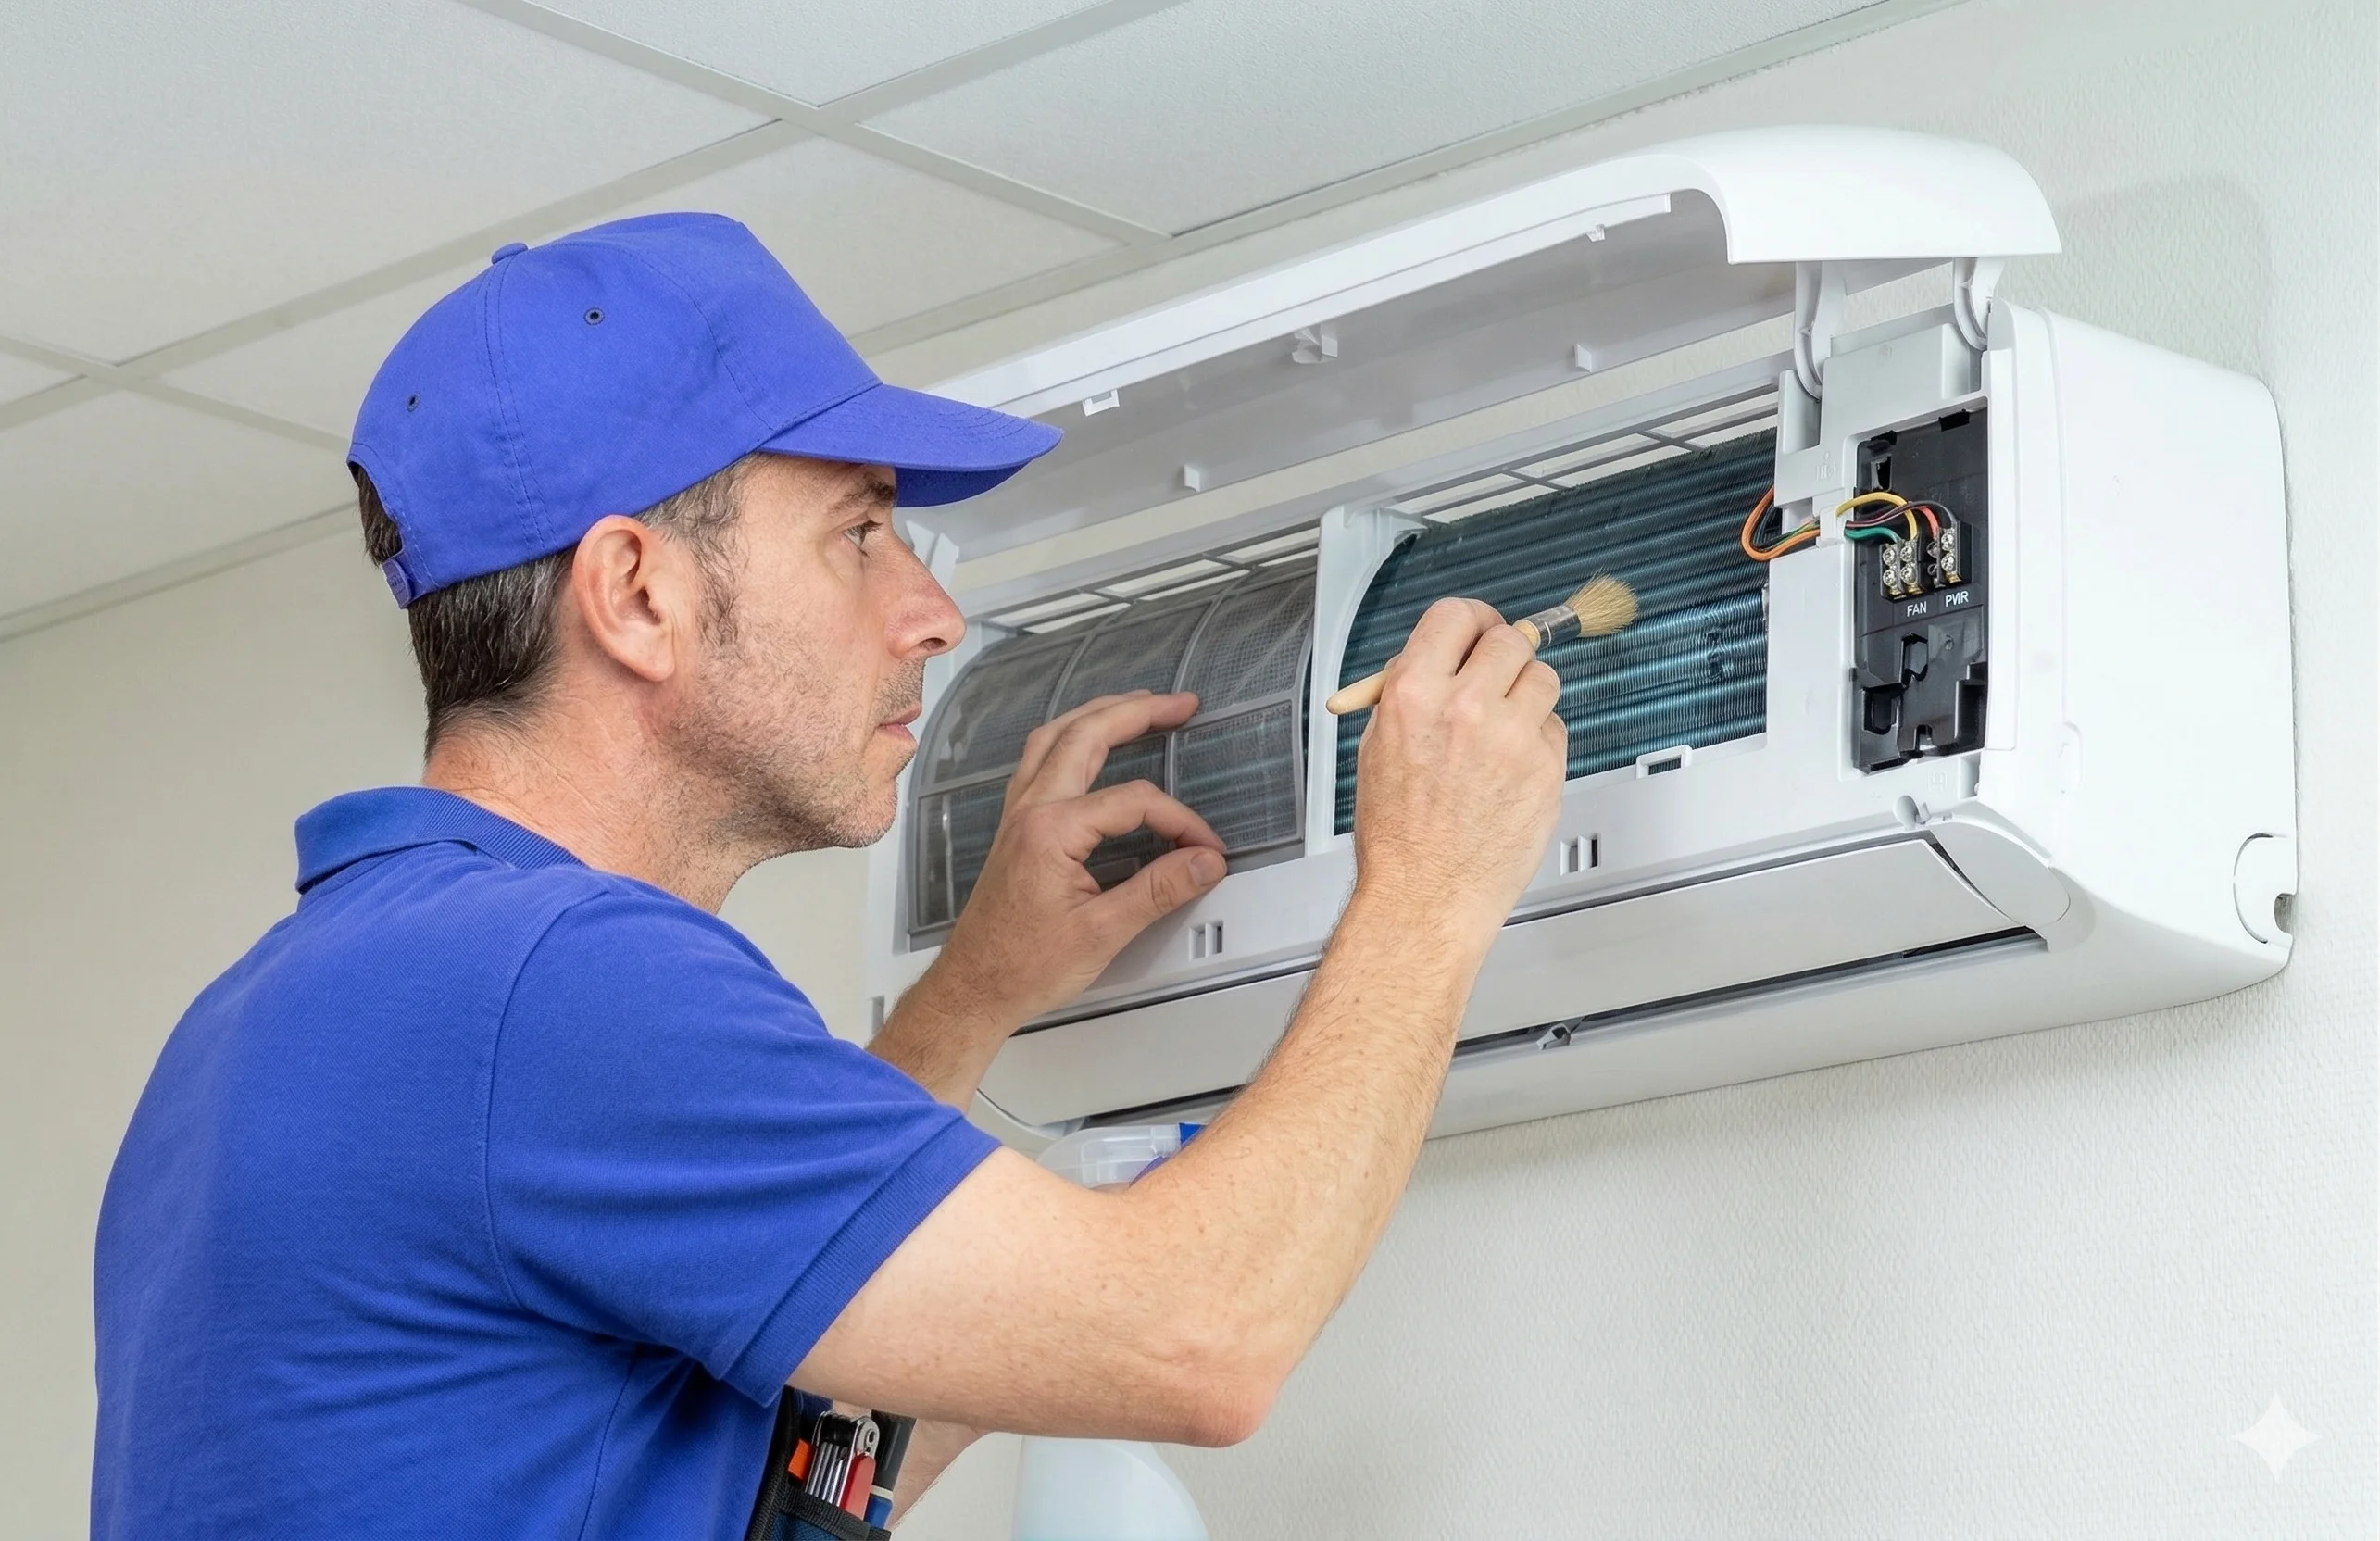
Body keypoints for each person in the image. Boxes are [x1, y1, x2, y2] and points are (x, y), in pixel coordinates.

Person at [91, 213, 1567, 1538]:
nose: (930, 613)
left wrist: (973, 995)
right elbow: (1199, 1342)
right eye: (858, 532)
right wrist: (1432, 886)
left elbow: (767, 1479)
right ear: (638, 593)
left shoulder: (306, 1009)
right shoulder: (548, 982)